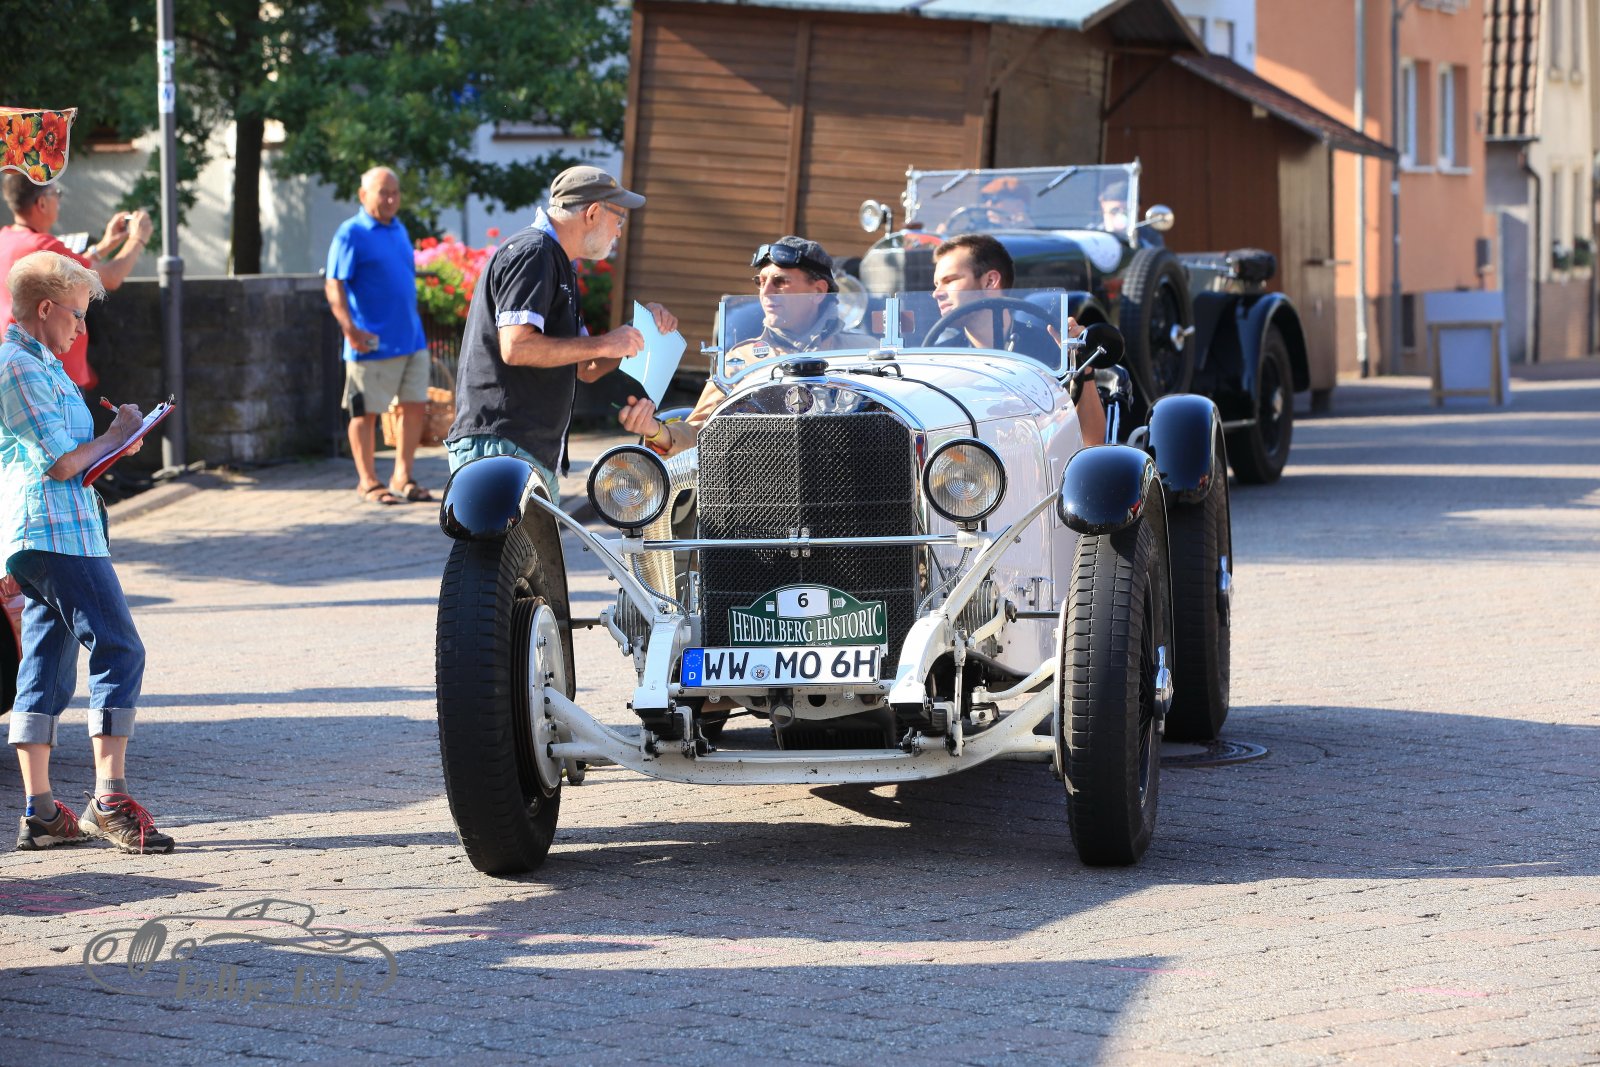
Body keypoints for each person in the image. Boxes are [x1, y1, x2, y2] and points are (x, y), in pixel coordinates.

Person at [0, 251, 173, 854]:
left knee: (45, 664)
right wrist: (116, 436)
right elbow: (58, 463)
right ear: (45, 308)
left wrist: (115, 444)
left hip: (58, 529)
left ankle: (42, 813)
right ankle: (109, 799)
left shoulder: (40, 362)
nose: (82, 327)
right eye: (76, 314)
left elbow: (74, 459)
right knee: (120, 647)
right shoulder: (19, 365)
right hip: (54, 532)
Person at [445, 165, 677, 500]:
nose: (619, 232)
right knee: (503, 540)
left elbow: (586, 367)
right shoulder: (534, 252)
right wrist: (607, 342)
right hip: (502, 445)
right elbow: (516, 346)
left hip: (521, 449)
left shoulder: (556, 261)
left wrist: (638, 333)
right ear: (593, 213)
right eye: (620, 219)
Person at [618, 235, 872, 457]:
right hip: (761, 489)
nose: (766, 292)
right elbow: (699, 432)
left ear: (818, 292)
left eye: (780, 281)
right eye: (761, 282)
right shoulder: (740, 360)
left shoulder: (864, 353)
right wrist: (656, 431)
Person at [930, 233, 1106, 447]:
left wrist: (1081, 363)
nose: (936, 293)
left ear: (990, 281)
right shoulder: (939, 359)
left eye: (949, 280)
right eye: (936, 284)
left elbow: (1091, 441)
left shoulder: (1051, 348)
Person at [324, 166, 433, 506]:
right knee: (364, 413)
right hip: (369, 342)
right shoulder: (351, 232)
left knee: (414, 407)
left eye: (395, 193)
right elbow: (334, 283)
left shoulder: (399, 228)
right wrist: (350, 329)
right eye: (383, 192)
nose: (390, 199)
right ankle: (368, 481)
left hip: (411, 338)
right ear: (363, 195)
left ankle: (402, 476)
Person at [0, 173, 152, 389]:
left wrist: (106, 244)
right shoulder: (42, 245)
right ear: (42, 203)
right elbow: (110, 278)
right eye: (56, 193)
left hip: (28, 362)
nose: (58, 200)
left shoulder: (6, 238)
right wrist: (138, 238)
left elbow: (72, 272)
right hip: (57, 372)